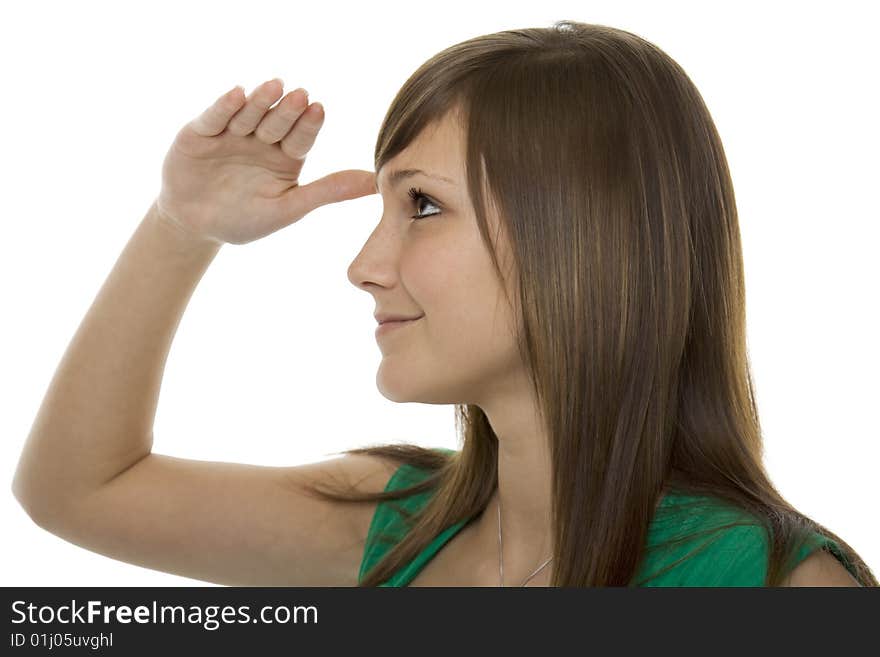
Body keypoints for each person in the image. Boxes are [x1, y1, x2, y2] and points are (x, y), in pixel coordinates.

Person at [11, 20, 875, 587]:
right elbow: (74, 491)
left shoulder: (778, 585)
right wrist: (179, 225)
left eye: (421, 205)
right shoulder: (392, 523)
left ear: (577, 234)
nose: (364, 266)